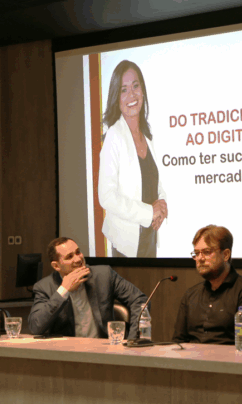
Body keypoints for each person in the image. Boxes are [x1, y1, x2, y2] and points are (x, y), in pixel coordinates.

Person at [98, 60, 167, 258]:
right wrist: (149, 212)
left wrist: (162, 204)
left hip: (149, 237)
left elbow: (155, 182)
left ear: (142, 90)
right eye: (124, 90)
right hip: (126, 245)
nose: (132, 95)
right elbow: (107, 196)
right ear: (116, 98)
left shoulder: (147, 136)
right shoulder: (114, 136)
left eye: (135, 86)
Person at [28, 237, 148, 340]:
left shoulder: (104, 275)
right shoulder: (44, 287)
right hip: (67, 352)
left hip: (104, 348)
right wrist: (64, 290)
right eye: (69, 257)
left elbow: (140, 300)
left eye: (78, 252)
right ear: (56, 266)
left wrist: (133, 339)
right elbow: (35, 327)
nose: (78, 259)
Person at [172, 225, 242, 344]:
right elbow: (178, 341)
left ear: (226, 255)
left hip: (231, 356)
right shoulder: (191, 295)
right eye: (196, 253)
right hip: (192, 355)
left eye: (207, 252)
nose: (200, 258)